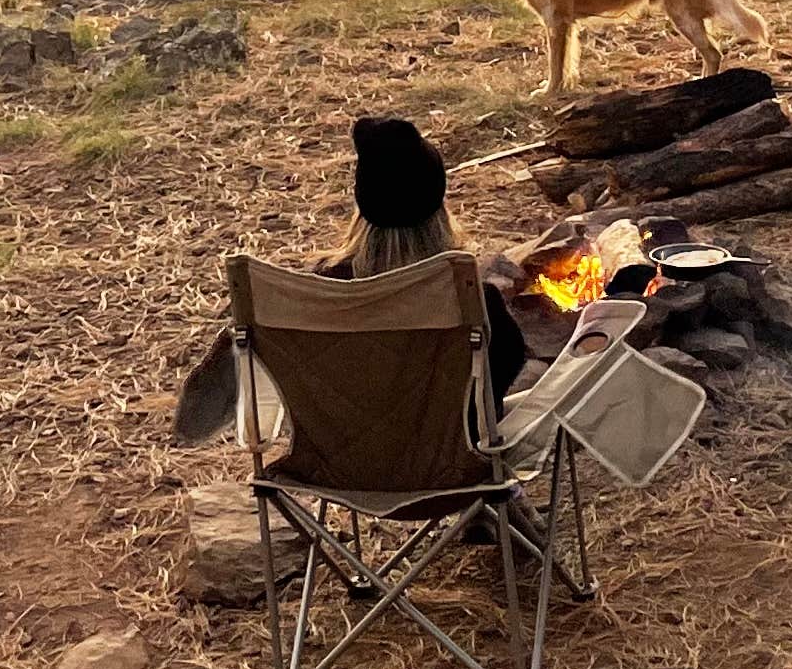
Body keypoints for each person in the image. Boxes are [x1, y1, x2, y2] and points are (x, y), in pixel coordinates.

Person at [172, 114, 538, 442]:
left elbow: (194, 423)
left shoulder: (317, 296)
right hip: (455, 476)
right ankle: (485, 518)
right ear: (440, 210)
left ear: (361, 208)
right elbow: (501, 377)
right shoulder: (472, 300)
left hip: (336, 473)